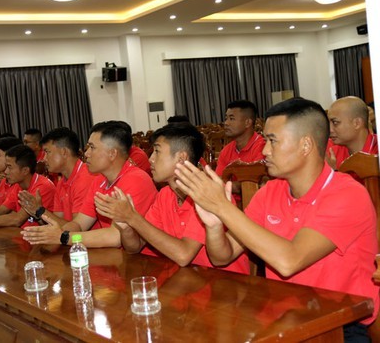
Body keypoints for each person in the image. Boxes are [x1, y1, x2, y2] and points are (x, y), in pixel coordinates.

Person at [174, 97, 378, 340]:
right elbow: (222, 256)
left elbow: (289, 260)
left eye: (272, 141)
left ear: (306, 145)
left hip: (343, 324)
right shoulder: (270, 191)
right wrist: (215, 225)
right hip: (285, 316)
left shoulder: (347, 194)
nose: (264, 150)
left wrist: (222, 207)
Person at [93, 123, 249, 273]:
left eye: (157, 151)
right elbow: (135, 247)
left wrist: (133, 217)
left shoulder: (207, 193)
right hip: (187, 281)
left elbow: (183, 255)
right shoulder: (165, 195)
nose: (150, 159)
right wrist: (126, 227)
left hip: (224, 284)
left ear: (181, 158)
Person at [21, 121, 157, 248]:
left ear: (112, 153)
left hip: (145, 260)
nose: (86, 153)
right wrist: (51, 233)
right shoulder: (99, 180)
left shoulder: (136, 180)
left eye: (92, 147)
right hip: (110, 255)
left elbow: (115, 237)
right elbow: (79, 224)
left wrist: (64, 237)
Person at [19, 127, 96, 222]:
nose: (44, 159)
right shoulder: (62, 182)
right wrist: (37, 213)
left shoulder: (85, 178)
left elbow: (77, 231)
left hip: (81, 237)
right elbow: (57, 223)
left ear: (63, 152)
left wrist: (40, 210)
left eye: (47, 152)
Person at [215, 100, 265, 176]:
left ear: (247, 123)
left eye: (232, 119)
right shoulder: (226, 151)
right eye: (226, 118)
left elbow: (254, 181)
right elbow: (219, 180)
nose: (226, 123)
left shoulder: (262, 147)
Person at [327, 96, 378, 169]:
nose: (330, 129)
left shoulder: (377, 148)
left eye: (335, 122)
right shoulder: (332, 154)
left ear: (357, 123)